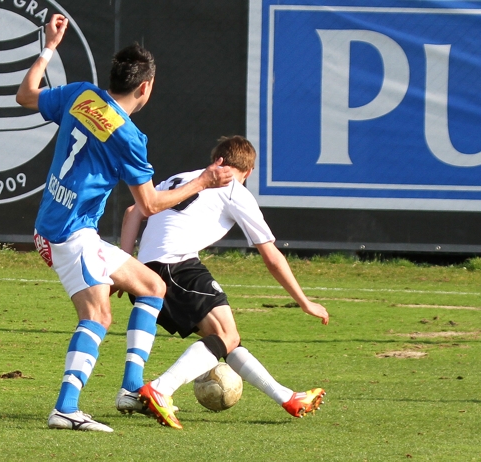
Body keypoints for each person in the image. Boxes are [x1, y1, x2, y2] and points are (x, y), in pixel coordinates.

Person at [16, 14, 233, 433]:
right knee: (97, 317)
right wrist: (205, 180)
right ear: (145, 88)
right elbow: (149, 204)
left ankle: (132, 388)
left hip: (58, 224)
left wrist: (50, 47)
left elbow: (26, 95)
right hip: (68, 233)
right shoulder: (129, 137)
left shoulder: (81, 95)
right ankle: (65, 409)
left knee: (152, 287)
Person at [119, 135, 330, 429]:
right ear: (250, 171)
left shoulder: (179, 178)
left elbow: (133, 212)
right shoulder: (234, 189)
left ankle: (288, 398)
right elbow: (272, 257)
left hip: (147, 269)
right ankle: (160, 389)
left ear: (216, 158)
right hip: (176, 266)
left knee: (227, 339)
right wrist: (304, 302)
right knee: (226, 337)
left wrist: (125, 264)